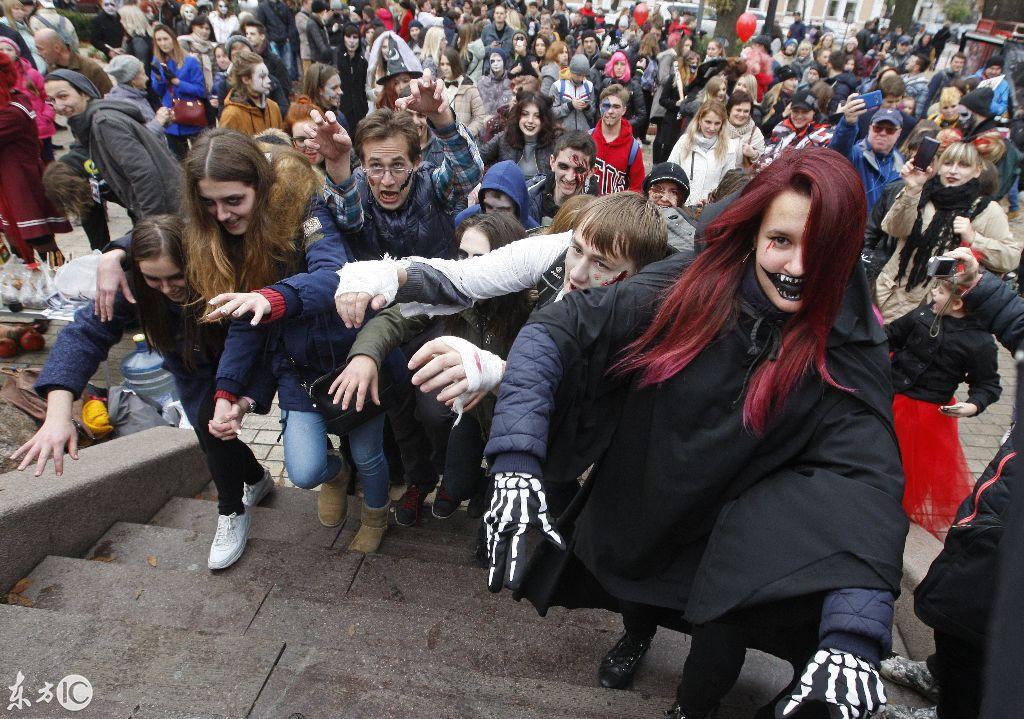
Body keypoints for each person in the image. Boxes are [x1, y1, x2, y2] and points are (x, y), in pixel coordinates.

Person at [482, 149, 905, 719]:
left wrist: (855, 639)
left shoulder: (849, 347)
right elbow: (564, 329)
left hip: (745, 528)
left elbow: (868, 484)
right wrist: (515, 455)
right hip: (659, 486)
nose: (798, 266)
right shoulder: (690, 283)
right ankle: (636, 638)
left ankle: (690, 706)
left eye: (820, 247)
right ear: (755, 234)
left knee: (719, 637)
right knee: (639, 586)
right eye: (781, 240)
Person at [17, 215, 276, 570]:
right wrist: (58, 414)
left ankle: (231, 510)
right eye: (154, 279)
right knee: (211, 435)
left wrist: (243, 399)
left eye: (175, 277)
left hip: (243, 364)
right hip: (191, 372)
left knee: (212, 425)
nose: (167, 289)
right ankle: (257, 478)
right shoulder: (133, 287)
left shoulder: (227, 268)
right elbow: (84, 336)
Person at [332, 211, 531, 528]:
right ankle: (458, 484)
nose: (468, 267)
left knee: (502, 486)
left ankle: (489, 494)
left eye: (481, 258)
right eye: (462, 255)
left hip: (513, 419)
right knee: (456, 478)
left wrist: (494, 375)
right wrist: (365, 355)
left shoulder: (531, 305)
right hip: (470, 416)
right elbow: (395, 318)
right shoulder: (456, 289)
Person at [311, 74, 482, 261]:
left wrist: (441, 117)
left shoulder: (432, 185)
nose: (387, 181)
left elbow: (467, 173)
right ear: (362, 164)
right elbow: (346, 220)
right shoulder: (357, 189)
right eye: (375, 166)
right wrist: (337, 163)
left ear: (416, 162)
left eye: (398, 166)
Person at [886, 274, 1000, 538]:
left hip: (928, 417)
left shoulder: (979, 342)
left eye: (939, 290)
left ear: (958, 303)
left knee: (912, 474)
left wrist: (973, 405)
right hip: (891, 398)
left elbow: (988, 384)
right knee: (878, 456)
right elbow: (890, 336)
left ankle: (895, 515)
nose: (933, 293)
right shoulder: (924, 314)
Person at [875, 142, 1019, 323]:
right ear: (939, 166)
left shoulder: (987, 210)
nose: (953, 170)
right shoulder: (921, 193)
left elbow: (1011, 258)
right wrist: (912, 189)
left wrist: (975, 239)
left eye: (963, 165)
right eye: (948, 163)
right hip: (894, 299)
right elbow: (893, 229)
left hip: (943, 310)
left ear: (977, 171)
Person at [45, 69, 181, 219]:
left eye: (63, 96)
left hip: (170, 209)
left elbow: (143, 173)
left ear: (84, 93)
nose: (58, 106)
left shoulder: (105, 123)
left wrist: (152, 222)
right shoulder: (91, 122)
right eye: (51, 100)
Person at [0, 52, 67, 261]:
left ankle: (62, 280)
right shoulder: (12, 103)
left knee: (40, 239)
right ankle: (23, 286)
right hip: (10, 184)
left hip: (21, 185)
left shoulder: (12, 111)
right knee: (13, 240)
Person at [830, 98, 905, 214]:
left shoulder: (902, 166)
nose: (883, 133)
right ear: (870, 128)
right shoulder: (855, 154)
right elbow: (836, 152)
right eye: (878, 128)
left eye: (890, 130)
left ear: (899, 133)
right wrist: (848, 123)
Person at [150, 23, 207, 159]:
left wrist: (178, 83)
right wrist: (158, 79)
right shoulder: (157, 61)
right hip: (172, 118)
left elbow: (200, 90)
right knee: (178, 159)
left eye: (166, 38)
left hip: (190, 114)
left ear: (173, 38)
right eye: (159, 40)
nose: (163, 43)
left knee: (200, 157)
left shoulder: (190, 61)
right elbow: (158, 91)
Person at [668, 100, 736, 207]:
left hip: (708, 210)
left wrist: (711, 202)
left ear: (722, 123)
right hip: (681, 206)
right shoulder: (684, 141)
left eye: (717, 123)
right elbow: (670, 171)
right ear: (700, 120)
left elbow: (727, 184)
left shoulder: (729, 147)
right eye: (708, 122)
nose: (712, 128)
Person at [479, 91, 555, 180]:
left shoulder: (555, 142)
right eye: (525, 114)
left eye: (537, 116)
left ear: (545, 120)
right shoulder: (504, 138)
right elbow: (476, 160)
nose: (530, 120)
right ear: (518, 116)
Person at [528, 129, 596, 227]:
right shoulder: (528, 194)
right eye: (563, 166)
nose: (569, 178)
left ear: (590, 172)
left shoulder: (596, 215)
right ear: (552, 162)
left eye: (579, 170)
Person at [755, 87, 829, 171]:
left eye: (805, 112)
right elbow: (770, 149)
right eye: (795, 111)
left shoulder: (823, 135)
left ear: (814, 112)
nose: (799, 116)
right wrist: (761, 160)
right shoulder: (782, 126)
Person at [592, 83, 643, 195]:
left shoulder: (633, 148)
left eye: (616, 107)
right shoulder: (588, 138)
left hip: (615, 210)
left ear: (624, 110)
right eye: (606, 106)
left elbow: (637, 190)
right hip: (587, 207)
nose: (610, 111)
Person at [105, 53, 172, 137]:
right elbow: (139, 138)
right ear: (133, 80)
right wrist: (158, 121)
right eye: (143, 74)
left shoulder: (136, 96)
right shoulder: (127, 105)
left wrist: (164, 120)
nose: (147, 78)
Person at [218, 50, 283, 134]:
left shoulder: (273, 107)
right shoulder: (231, 115)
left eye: (267, 75)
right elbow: (225, 145)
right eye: (262, 76)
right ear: (246, 79)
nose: (269, 80)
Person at [33, 27, 111, 94]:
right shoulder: (50, 69)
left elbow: (109, 99)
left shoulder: (91, 69)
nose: (38, 53)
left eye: (40, 49)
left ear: (57, 48)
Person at [242, 19, 291, 113]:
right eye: (247, 34)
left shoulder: (275, 61)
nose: (248, 36)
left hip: (274, 109)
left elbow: (285, 87)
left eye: (252, 34)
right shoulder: (246, 61)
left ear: (262, 36)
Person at [597, 49, 645, 128]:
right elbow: (598, 108)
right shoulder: (606, 82)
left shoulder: (634, 86)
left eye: (622, 64)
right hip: (606, 129)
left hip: (626, 131)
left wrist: (622, 125)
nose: (619, 67)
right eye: (616, 64)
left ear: (627, 66)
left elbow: (641, 115)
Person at [548, 53, 594, 132]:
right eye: (578, 75)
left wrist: (587, 107)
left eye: (583, 75)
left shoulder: (589, 86)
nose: (580, 79)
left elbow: (592, 114)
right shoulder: (557, 86)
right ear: (571, 71)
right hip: (563, 135)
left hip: (583, 134)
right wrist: (570, 105)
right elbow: (551, 113)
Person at [255, 0, 298, 80]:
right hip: (272, 42)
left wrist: (288, 36)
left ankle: (287, 86)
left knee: (288, 66)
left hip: (285, 40)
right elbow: (261, 25)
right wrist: (268, 39)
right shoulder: (262, 7)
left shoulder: (283, 6)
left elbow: (290, 22)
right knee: (277, 66)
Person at [724, 90, 764, 169]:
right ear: (729, 110)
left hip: (740, 179)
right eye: (738, 110)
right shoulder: (718, 126)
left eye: (746, 111)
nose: (741, 114)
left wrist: (754, 154)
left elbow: (762, 164)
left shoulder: (755, 132)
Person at [477, 46, 512, 116]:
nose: (495, 64)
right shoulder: (482, 82)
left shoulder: (511, 82)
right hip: (484, 122)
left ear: (504, 62)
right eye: (492, 61)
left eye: (499, 60)